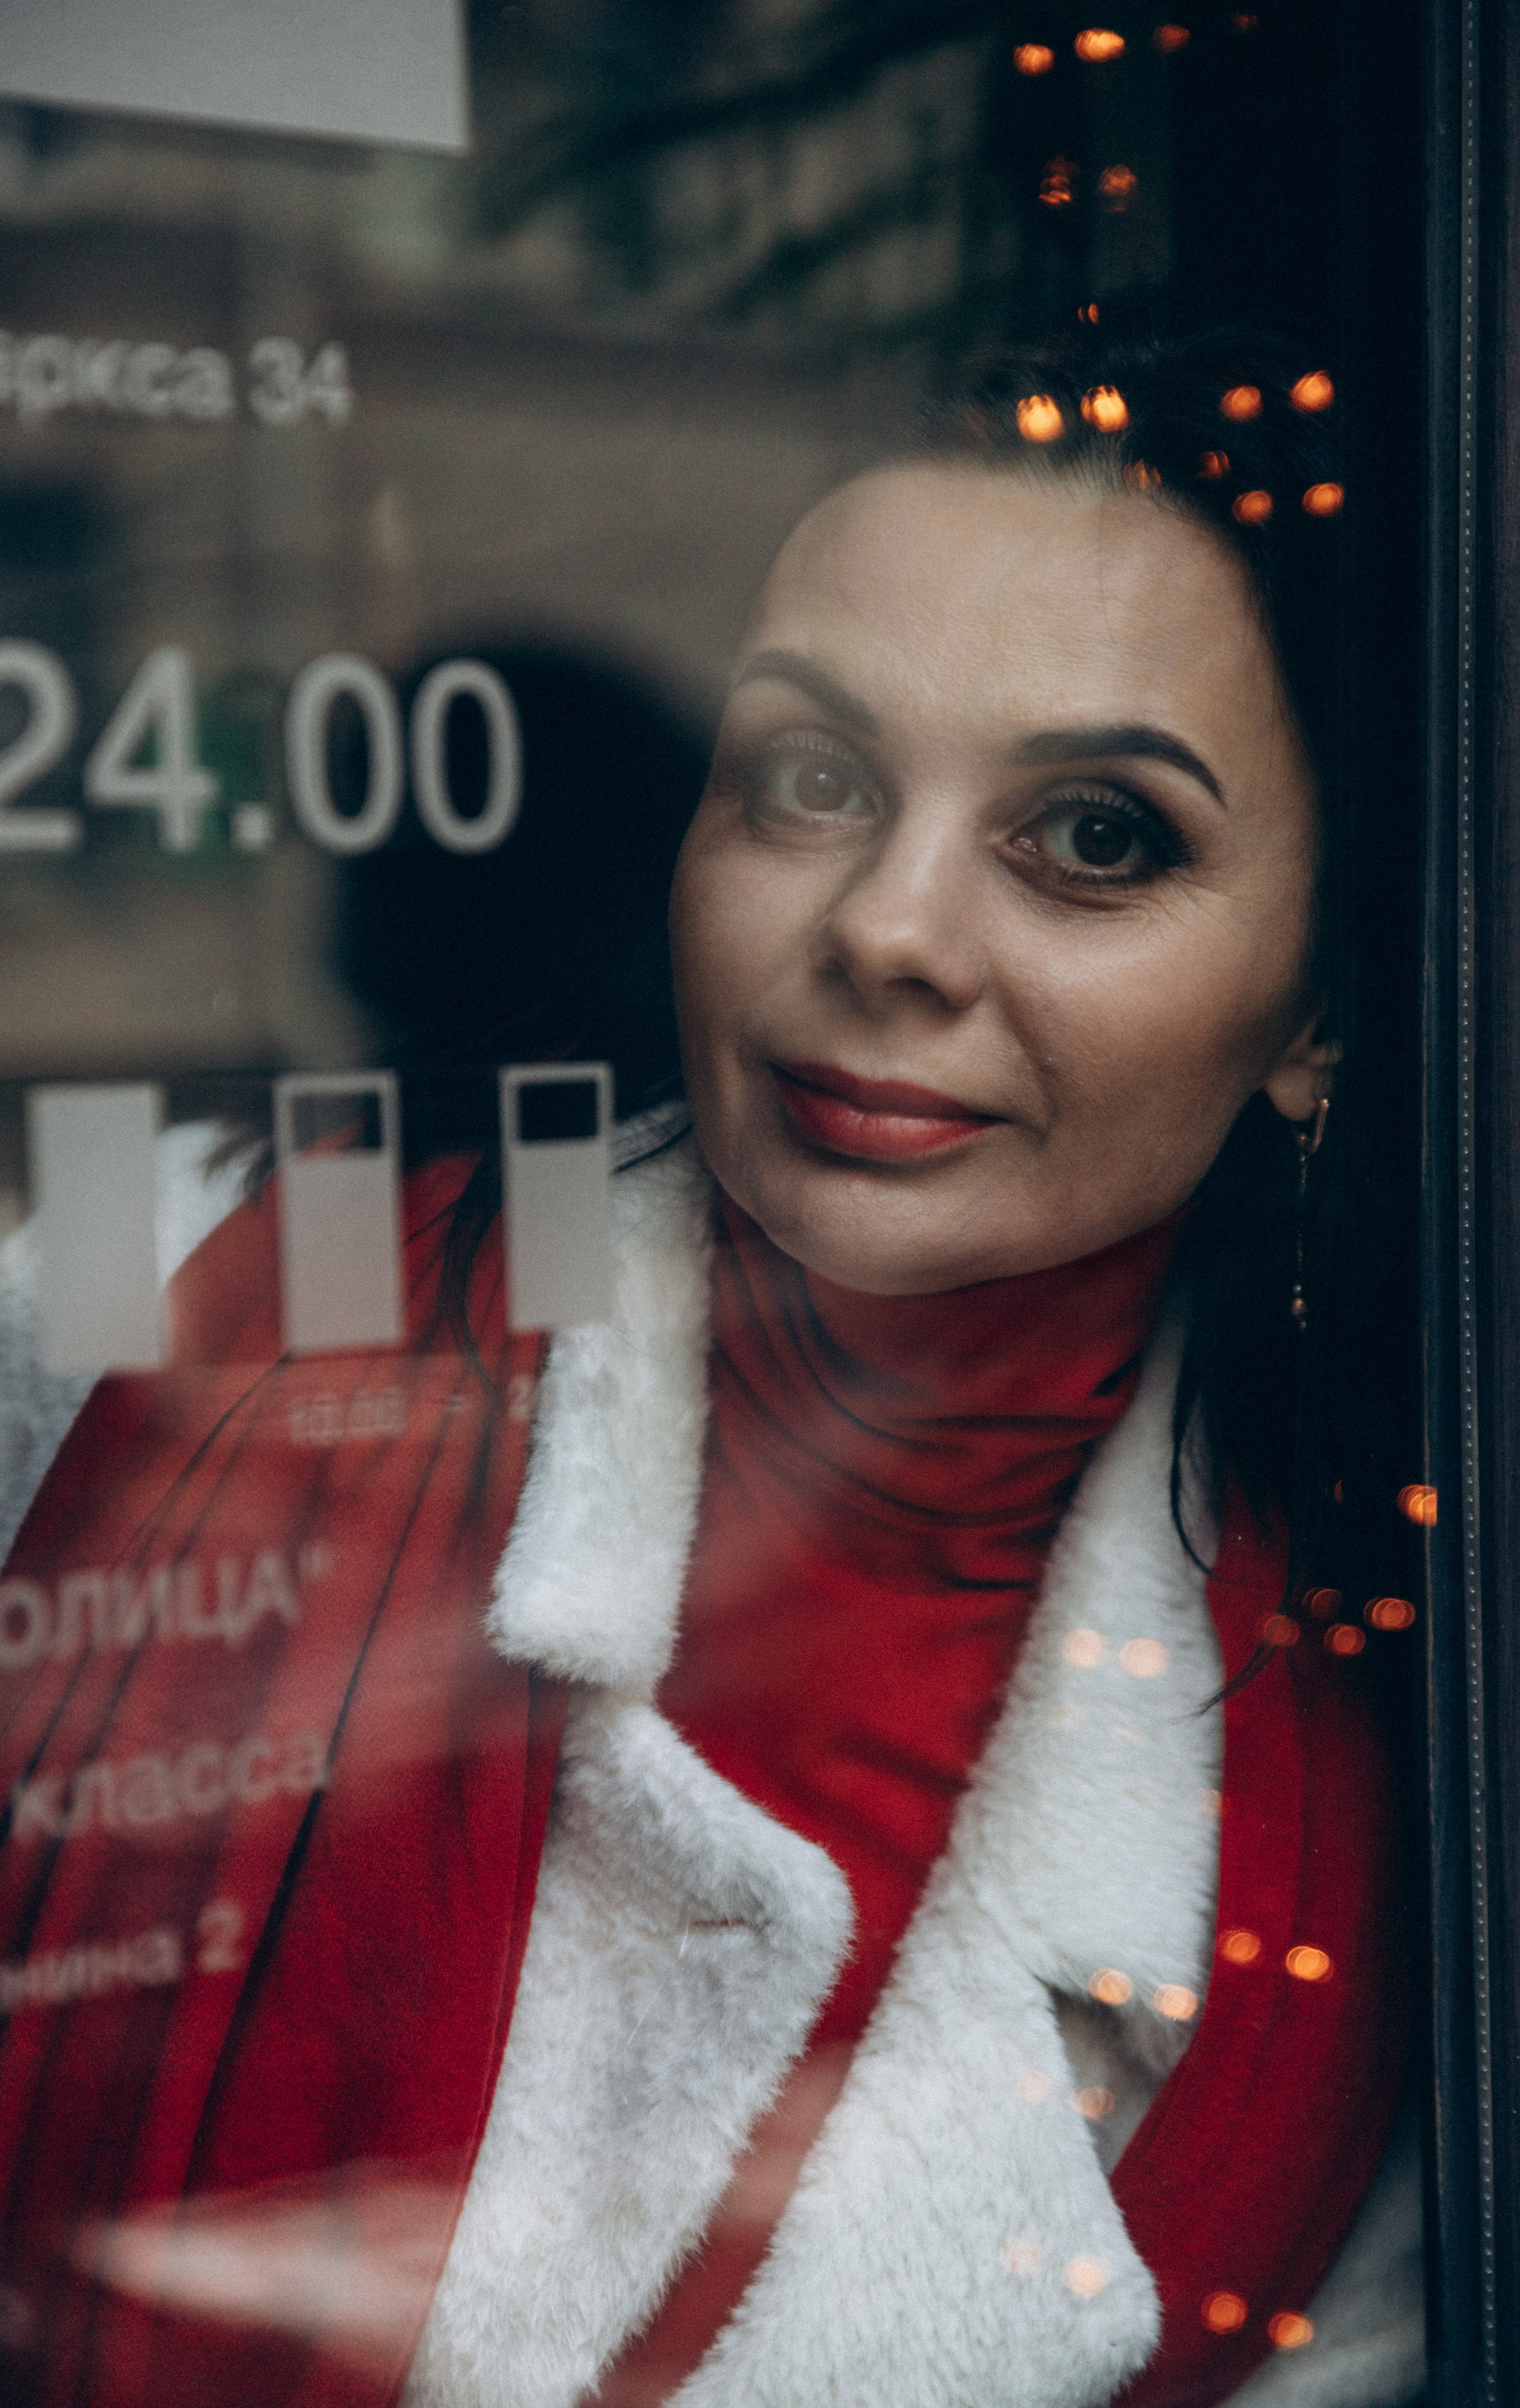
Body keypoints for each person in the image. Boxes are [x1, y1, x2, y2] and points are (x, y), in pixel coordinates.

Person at [0, 324, 1425, 2408]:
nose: (889, 929)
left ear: (1318, 1014)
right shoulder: (155, 1326)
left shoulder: (1366, 1796)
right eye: (815, 780)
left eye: (1099, 837)